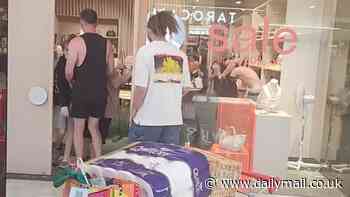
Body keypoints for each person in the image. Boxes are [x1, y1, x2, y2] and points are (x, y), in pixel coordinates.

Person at [129, 11, 192, 145]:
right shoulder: (180, 55)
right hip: (173, 121)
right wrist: (169, 94)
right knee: (166, 164)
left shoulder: (144, 52)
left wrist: (134, 111)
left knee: (141, 163)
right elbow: (186, 88)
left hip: (147, 119)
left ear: (149, 30)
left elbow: (141, 89)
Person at [65, 9, 114, 160]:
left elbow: (68, 72)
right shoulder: (108, 43)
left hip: (81, 91)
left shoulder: (76, 42)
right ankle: (98, 161)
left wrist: (72, 83)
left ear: (82, 22)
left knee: (78, 129)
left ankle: (81, 164)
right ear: (96, 22)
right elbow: (110, 71)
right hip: (100, 92)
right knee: (94, 127)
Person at [53, 34, 75, 165]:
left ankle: (65, 157)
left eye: (70, 50)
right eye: (66, 50)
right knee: (61, 130)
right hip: (61, 100)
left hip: (73, 100)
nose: (68, 53)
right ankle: (56, 148)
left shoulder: (77, 61)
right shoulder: (61, 62)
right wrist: (63, 104)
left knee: (71, 129)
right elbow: (60, 84)